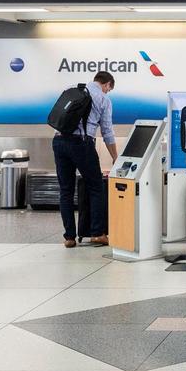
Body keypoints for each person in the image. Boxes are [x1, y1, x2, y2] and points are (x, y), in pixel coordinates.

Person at [52, 71, 118, 248]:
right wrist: (115, 157)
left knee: (65, 190)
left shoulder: (71, 90)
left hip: (58, 140)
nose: (107, 92)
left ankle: (69, 237)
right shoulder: (103, 99)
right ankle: (97, 233)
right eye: (108, 89)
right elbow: (107, 131)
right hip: (82, 143)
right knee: (95, 186)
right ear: (107, 84)